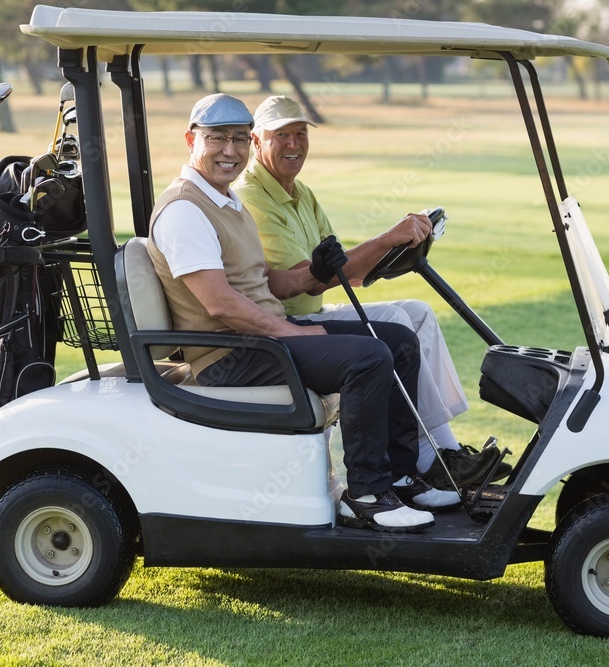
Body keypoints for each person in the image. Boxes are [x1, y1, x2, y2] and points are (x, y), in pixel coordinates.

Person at [146, 93, 461, 532]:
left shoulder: (225, 201)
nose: (231, 151)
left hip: (258, 341)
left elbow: (263, 281)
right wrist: (288, 332)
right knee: (367, 358)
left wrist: (311, 273)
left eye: (238, 139)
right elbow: (219, 303)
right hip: (229, 356)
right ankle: (367, 493)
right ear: (191, 139)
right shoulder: (185, 210)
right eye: (218, 139)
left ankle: (397, 476)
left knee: (397, 340)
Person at [235, 95, 511, 489]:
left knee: (417, 312)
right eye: (282, 135)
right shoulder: (254, 198)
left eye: (300, 133)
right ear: (257, 141)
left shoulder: (302, 194)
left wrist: (393, 248)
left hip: (313, 309)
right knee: (396, 323)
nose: (294, 144)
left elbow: (346, 271)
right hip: (286, 320)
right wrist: (386, 239)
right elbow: (309, 277)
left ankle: (441, 450)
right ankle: (429, 459)